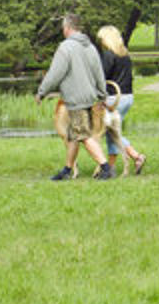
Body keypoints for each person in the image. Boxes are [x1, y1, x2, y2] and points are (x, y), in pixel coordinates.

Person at [35, 13, 113, 180]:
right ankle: (67, 170)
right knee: (73, 136)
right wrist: (102, 94)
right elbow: (99, 73)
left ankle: (106, 167)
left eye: (63, 28)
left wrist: (42, 91)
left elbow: (55, 73)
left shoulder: (66, 47)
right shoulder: (90, 47)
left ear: (68, 28)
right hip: (89, 98)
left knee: (83, 136)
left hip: (76, 99)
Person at [96, 24, 147, 176]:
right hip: (127, 97)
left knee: (112, 132)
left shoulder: (108, 55)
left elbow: (102, 78)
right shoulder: (125, 54)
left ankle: (135, 157)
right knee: (112, 132)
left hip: (113, 97)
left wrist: (99, 97)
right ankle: (111, 167)